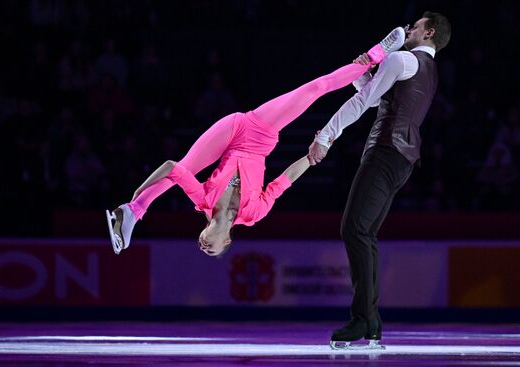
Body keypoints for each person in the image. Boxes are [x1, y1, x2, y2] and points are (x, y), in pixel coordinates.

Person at [106, 27, 406, 257]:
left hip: (235, 128)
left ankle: (132, 210)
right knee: (317, 88)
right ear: (227, 241)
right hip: (260, 134)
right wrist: (315, 153)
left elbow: (172, 167)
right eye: (213, 251)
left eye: (203, 248)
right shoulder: (253, 214)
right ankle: (375, 55)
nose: (205, 248)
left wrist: (140, 191)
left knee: (182, 166)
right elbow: (283, 181)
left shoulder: (202, 201)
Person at [308, 12, 451, 349]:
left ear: (429, 32)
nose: (407, 29)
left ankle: (363, 318)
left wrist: (326, 137)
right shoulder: (428, 70)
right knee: (364, 232)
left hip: (386, 151)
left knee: (354, 229)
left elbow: (363, 101)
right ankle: (371, 322)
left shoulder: (402, 59)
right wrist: (364, 74)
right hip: (403, 159)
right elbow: (381, 98)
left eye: (415, 26)